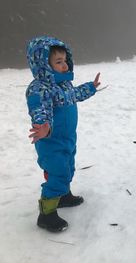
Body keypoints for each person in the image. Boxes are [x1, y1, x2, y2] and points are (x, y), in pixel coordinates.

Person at [25, 36, 101, 232]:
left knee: (68, 167)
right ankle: (46, 214)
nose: (64, 65)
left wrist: (90, 87)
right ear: (43, 64)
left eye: (65, 60)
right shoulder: (39, 89)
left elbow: (75, 94)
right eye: (58, 62)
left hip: (67, 138)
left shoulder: (64, 85)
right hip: (50, 141)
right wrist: (43, 125)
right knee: (57, 172)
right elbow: (40, 109)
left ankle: (63, 196)